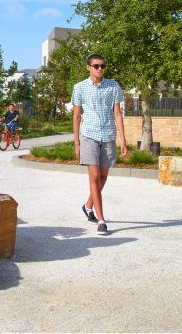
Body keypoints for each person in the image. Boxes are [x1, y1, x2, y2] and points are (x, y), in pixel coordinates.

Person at [72, 54, 126, 236]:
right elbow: (77, 116)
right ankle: (101, 220)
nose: (100, 69)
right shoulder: (79, 88)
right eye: (96, 66)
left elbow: (118, 114)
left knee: (103, 178)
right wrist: (77, 143)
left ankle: (88, 205)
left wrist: (123, 140)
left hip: (109, 136)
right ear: (88, 67)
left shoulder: (113, 86)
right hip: (89, 136)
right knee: (94, 177)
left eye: (103, 66)